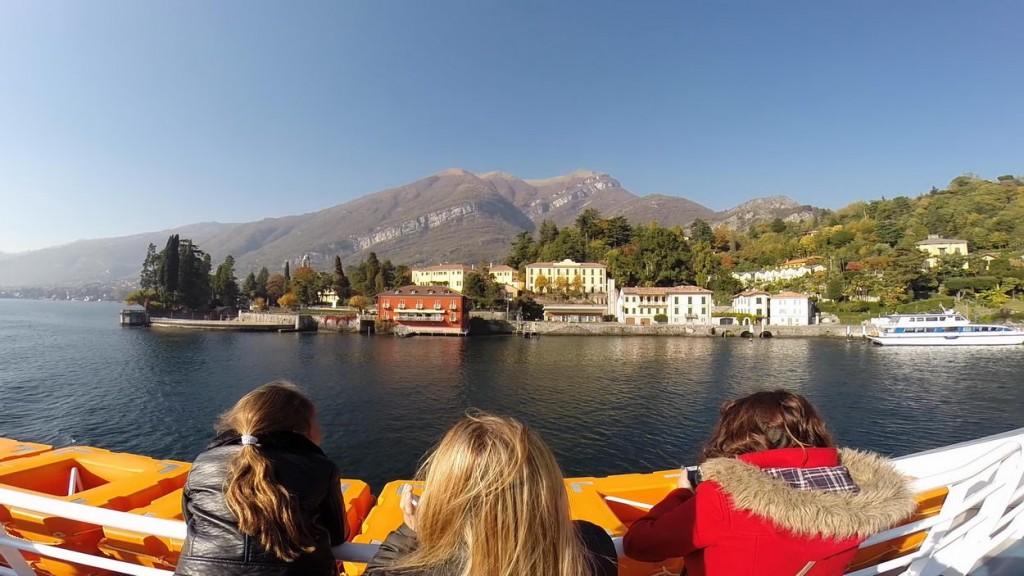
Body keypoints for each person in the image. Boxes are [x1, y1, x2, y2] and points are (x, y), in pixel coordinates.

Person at [623, 390, 916, 576]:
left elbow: (639, 545)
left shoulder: (725, 499)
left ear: (737, 437)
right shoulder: (858, 493)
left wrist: (681, 494)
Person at [365, 412, 617, 576]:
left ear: (445, 495)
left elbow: (377, 568)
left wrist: (413, 530)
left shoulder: (406, 571)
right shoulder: (594, 549)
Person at [175, 381, 347, 576]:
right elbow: (338, 536)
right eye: (315, 422)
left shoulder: (203, 462)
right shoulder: (320, 469)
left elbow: (192, 521)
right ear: (300, 429)